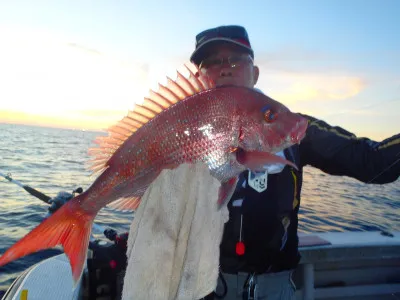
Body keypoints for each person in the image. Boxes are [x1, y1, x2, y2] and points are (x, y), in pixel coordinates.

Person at [189, 25, 400, 300]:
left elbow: (373, 162)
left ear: (255, 73)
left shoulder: (292, 127)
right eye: (212, 62)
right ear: (198, 78)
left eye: (235, 60)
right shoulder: (179, 135)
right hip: (199, 286)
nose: (225, 69)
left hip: (274, 287)